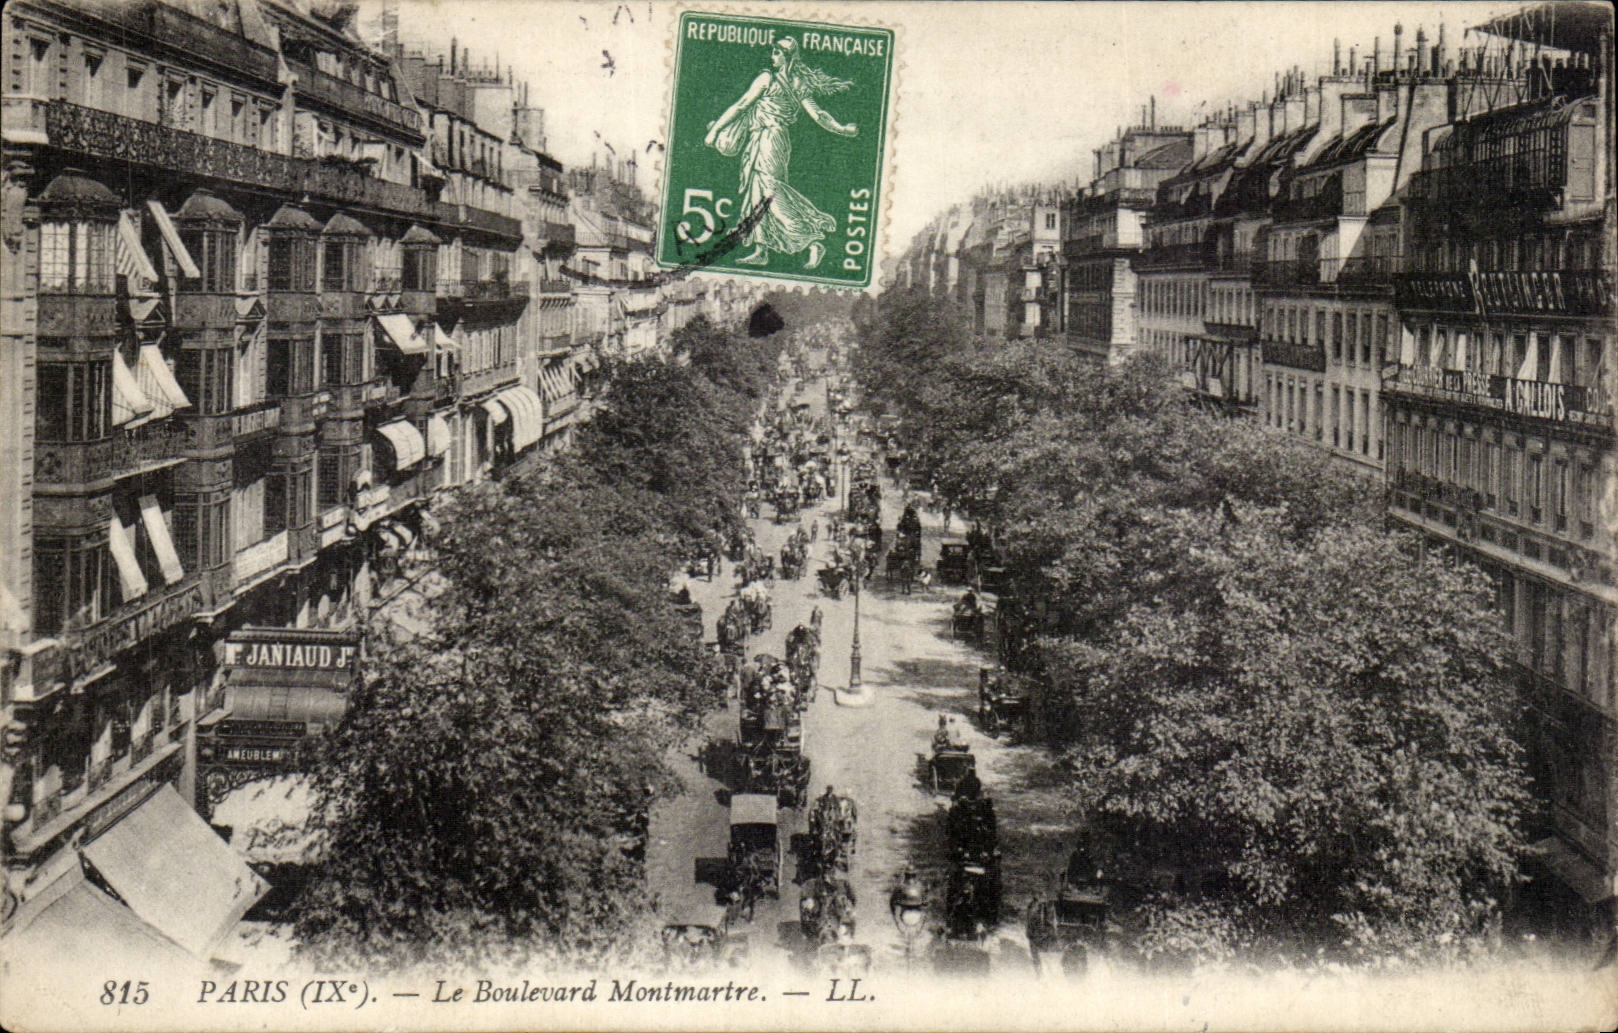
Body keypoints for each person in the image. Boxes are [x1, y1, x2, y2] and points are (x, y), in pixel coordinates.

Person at [703, 37, 859, 270]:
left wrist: (715, 131)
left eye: (776, 53)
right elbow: (819, 115)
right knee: (757, 192)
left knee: (770, 192)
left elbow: (741, 105)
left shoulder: (769, 79)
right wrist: (841, 129)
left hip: (769, 140)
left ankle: (811, 241)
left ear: (788, 56)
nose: (772, 56)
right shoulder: (797, 84)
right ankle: (761, 249)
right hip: (767, 140)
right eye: (772, 52)